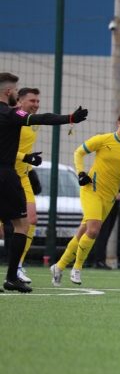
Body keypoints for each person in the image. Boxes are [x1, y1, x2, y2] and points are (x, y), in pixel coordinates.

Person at [0, 72, 88, 293]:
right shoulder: (11, 113)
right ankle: (12, 277)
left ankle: (15, 273)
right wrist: (70, 117)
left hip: (13, 173)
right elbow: (42, 118)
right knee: (22, 225)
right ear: (9, 92)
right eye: (16, 89)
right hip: (5, 174)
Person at [50, 110, 120, 285]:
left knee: (82, 232)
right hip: (91, 190)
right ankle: (77, 268)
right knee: (93, 230)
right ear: (119, 123)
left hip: (110, 197)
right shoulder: (103, 139)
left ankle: (59, 266)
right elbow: (79, 152)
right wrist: (81, 173)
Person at [13, 87, 42, 284]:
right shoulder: (11, 119)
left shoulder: (33, 122)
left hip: (22, 176)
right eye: (32, 101)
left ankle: (18, 266)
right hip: (5, 175)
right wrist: (26, 157)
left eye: (37, 101)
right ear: (20, 101)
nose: (36, 104)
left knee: (32, 219)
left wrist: (29, 167)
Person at [91, 187, 120, 269]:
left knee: (106, 236)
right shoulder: (104, 182)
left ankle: (101, 260)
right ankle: (98, 261)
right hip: (104, 210)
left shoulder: (117, 182)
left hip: (113, 210)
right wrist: (113, 197)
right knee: (102, 235)